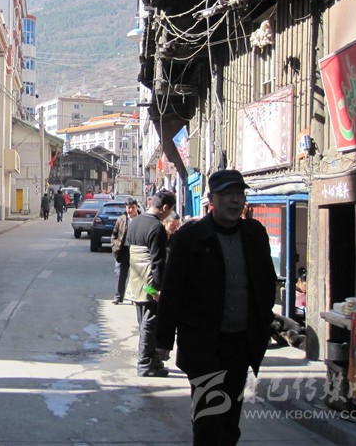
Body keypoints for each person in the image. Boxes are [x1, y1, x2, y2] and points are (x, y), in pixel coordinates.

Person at [156, 169, 277, 446]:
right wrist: (163, 338)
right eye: (227, 194)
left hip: (241, 344)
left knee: (230, 421)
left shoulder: (254, 234)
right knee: (209, 418)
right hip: (204, 344)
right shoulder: (191, 237)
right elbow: (172, 290)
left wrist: (264, 318)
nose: (235, 200)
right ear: (211, 199)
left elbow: (266, 281)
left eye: (239, 194)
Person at [125, 189, 176, 377]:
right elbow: (157, 262)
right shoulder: (157, 228)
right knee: (150, 324)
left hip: (136, 280)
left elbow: (126, 252)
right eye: (170, 211)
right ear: (165, 207)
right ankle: (144, 364)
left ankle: (154, 362)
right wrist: (159, 288)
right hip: (149, 283)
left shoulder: (135, 222)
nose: (168, 215)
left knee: (144, 323)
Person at [110, 196, 139, 304]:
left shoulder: (141, 219)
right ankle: (118, 296)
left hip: (136, 250)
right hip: (123, 250)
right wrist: (115, 246)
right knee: (120, 274)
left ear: (137, 207)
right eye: (128, 207)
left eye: (132, 207)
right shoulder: (121, 219)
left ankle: (134, 297)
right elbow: (114, 234)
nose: (130, 210)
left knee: (135, 275)